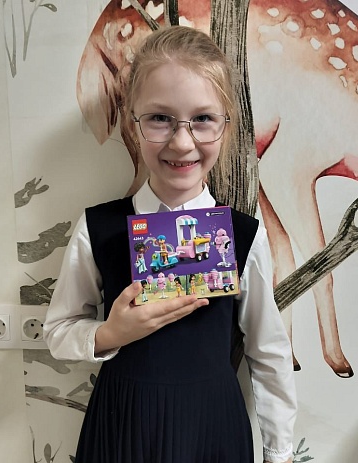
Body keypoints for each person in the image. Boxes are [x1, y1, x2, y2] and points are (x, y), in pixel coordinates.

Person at [44, 25, 297, 463]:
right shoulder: (99, 229)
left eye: (203, 119)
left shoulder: (241, 235)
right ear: (133, 123)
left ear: (226, 126)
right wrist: (110, 334)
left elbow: (268, 350)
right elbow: (58, 331)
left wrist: (280, 452)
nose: (182, 142)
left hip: (212, 430)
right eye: (160, 118)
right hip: (123, 426)